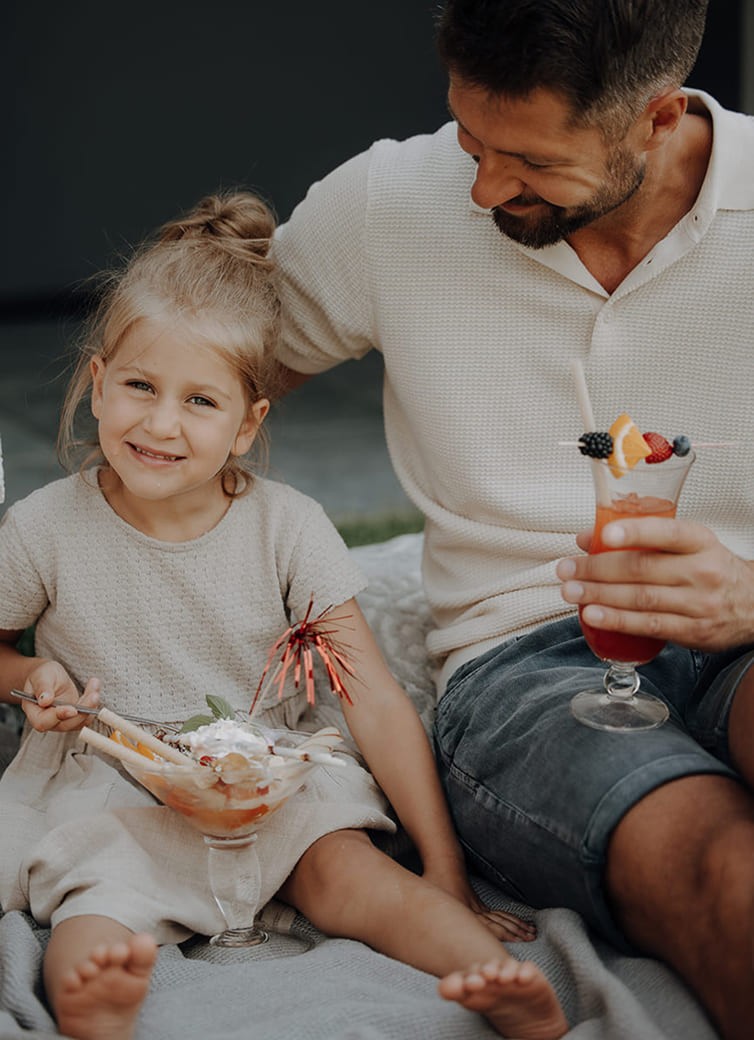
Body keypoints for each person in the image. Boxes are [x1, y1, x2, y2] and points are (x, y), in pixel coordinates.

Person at [269, 2, 754, 1038]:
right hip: (526, 665)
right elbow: (199, 372)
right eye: (469, 138)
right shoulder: (386, 205)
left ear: (659, 116)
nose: (482, 186)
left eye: (527, 159)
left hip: (746, 625)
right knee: (731, 879)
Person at [0, 190, 569, 1040]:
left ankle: (492, 979)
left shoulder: (287, 526)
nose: (160, 423)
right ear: (95, 384)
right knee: (97, 905)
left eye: (200, 401)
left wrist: (446, 872)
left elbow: (371, 696)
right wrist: (27, 677)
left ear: (246, 423)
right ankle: (97, 998)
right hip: (112, 787)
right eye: (139, 386)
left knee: (354, 877)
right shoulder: (43, 526)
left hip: (269, 782)